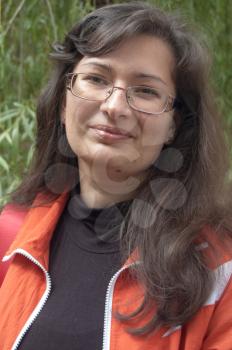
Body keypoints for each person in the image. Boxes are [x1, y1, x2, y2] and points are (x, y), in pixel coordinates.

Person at [0, 2, 232, 349]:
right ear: (64, 104)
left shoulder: (218, 265)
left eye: (145, 90)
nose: (114, 106)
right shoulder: (11, 236)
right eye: (96, 79)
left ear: (174, 124)